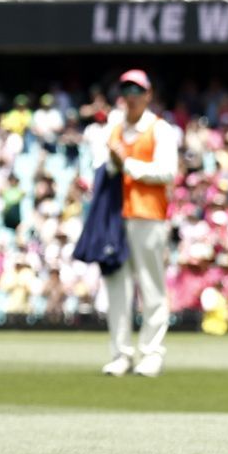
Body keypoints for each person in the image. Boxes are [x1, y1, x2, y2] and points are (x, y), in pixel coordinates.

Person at [89, 69, 181, 377]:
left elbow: (167, 171)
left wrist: (126, 164)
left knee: (152, 286)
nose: (131, 97)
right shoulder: (114, 128)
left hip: (148, 215)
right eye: (126, 90)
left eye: (136, 91)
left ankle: (152, 353)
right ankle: (121, 354)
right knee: (118, 286)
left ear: (148, 95)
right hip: (116, 216)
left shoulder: (160, 129)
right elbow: (104, 170)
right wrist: (116, 165)